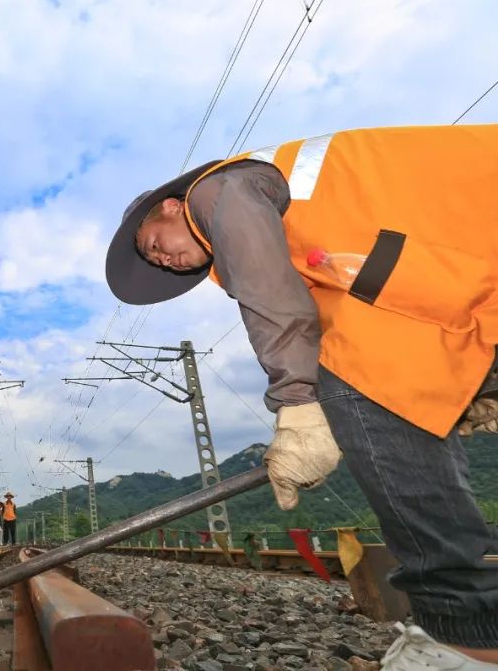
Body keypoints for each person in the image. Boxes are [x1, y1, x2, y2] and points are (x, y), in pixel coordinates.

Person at [105, 124, 498, 670]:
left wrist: (297, 402)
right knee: (359, 374)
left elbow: (275, 300)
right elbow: (409, 299)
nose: (162, 261)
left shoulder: (219, 192)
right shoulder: (309, 244)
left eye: (153, 245)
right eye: (157, 263)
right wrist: (468, 376)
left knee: (349, 386)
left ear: (171, 206)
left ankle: (466, 640)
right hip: (480, 276)